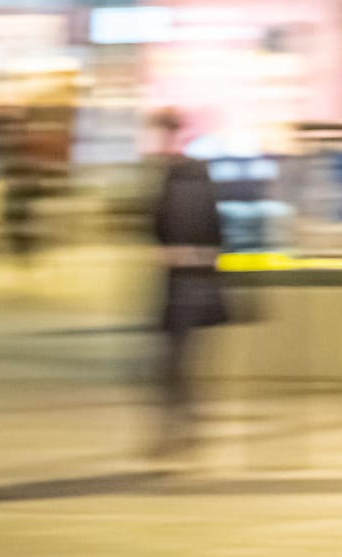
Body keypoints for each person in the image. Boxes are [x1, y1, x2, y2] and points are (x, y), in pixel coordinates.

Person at [149, 110, 227, 458]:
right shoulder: (185, 176)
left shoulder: (179, 177)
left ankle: (180, 432)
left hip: (185, 285)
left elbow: (164, 227)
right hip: (187, 283)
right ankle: (184, 429)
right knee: (176, 363)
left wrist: (182, 254)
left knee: (174, 364)